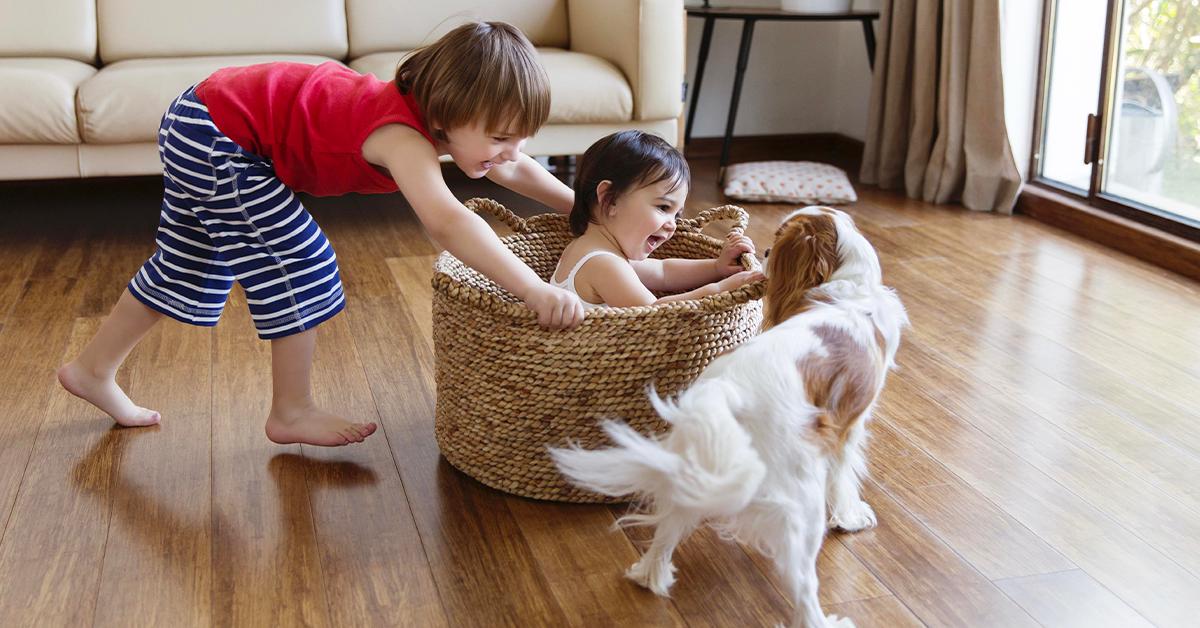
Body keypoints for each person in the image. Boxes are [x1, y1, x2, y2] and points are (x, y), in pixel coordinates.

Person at [57, 21, 584, 447]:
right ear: (449, 110)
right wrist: (533, 289)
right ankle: (292, 410)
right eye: (500, 138)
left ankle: (91, 370)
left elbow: (515, 171)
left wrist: (582, 211)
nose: (511, 152)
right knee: (300, 262)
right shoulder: (401, 136)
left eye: (521, 139)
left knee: (185, 265)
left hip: (197, 117)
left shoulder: (453, 125)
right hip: (219, 137)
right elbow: (448, 220)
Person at [554, 130, 762, 310]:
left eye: (677, 214)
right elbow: (655, 313)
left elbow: (664, 272)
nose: (672, 224)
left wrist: (716, 267)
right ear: (610, 199)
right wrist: (721, 289)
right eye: (663, 207)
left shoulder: (593, 249)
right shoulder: (603, 263)